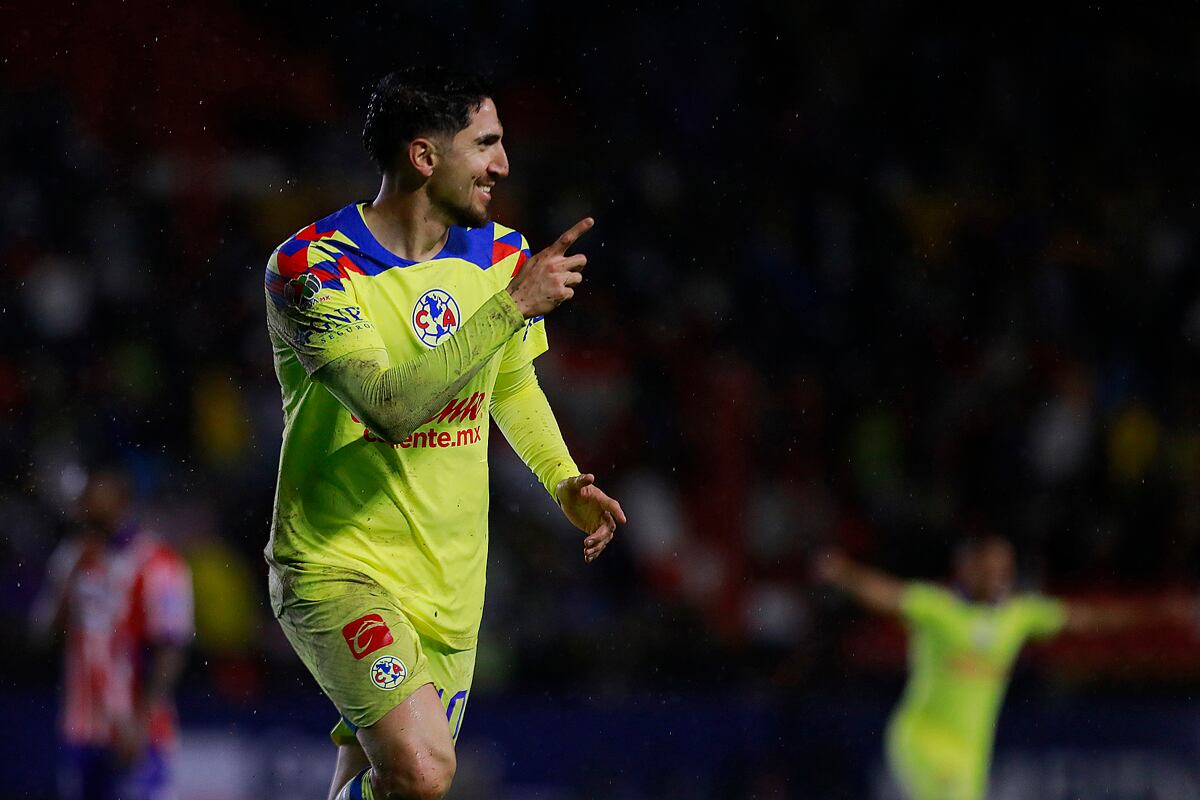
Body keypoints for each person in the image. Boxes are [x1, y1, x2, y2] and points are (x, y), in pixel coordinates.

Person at [262, 67, 626, 800]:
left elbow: (512, 383)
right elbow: (389, 407)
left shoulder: (499, 256)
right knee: (425, 771)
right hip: (338, 563)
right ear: (425, 158)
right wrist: (511, 307)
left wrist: (562, 478)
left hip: (451, 580)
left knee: (385, 782)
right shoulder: (311, 268)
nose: (503, 165)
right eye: (485, 145)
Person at [817, 536, 1144, 800]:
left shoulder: (1019, 615)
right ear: (967, 569)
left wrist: (1149, 614)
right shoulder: (939, 608)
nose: (997, 578)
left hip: (971, 758)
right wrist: (845, 573)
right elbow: (888, 595)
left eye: (1004, 571)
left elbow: (1084, 619)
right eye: (989, 569)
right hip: (923, 742)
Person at [31, 468, 193, 800]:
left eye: (93, 499)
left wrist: (142, 720)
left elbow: (171, 647)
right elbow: (43, 635)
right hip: (83, 729)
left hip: (140, 729)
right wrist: (67, 583)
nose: (83, 508)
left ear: (121, 503)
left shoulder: (159, 563)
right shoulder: (73, 558)